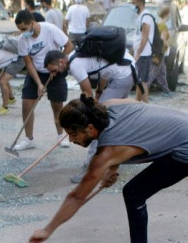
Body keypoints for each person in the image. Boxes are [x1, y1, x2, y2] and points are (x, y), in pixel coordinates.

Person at [29, 96, 188, 243]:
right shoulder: (108, 106)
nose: (72, 140)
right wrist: (113, 167)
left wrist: (48, 229)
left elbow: (76, 197)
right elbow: (135, 119)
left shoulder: (106, 153)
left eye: (74, 134)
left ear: (90, 128)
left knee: (134, 191)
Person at [44, 49, 138, 183]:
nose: (54, 74)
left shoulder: (75, 65)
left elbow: (88, 95)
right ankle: (114, 157)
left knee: (96, 123)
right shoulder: (76, 56)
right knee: (111, 118)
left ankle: (90, 168)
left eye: (54, 70)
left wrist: (83, 116)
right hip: (128, 71)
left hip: (122, 76)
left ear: (61, 61)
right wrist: (100, 90)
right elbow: (104, 69)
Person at [12, 9, 74, 151]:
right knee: (27, 104)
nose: (22, 32)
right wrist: (39, 83)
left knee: (57, 106)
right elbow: (28, 63)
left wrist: (59, 63)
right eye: (19, 29)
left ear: (32, 23)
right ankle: (28, 139)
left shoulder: (50, 29)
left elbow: (69, 45)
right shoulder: (23, 40)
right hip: (36, 72)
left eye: (24, 28)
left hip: (55, 71)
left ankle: (60, 135)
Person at [131, 0, 155, 102]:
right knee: (139, 80)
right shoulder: (140, 16)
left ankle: (146, 105)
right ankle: (137, 103)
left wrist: (138, 53)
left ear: (140, 3)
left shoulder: (146, 17)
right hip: (140, 53)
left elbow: (145, 37)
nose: (132, 5)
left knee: (142, 81)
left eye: (133, 3)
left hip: (144, 54)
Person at [147, 5, 171, 93]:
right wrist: (168, 44)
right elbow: (162, 41)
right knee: (153, 74)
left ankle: (166, 90)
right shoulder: (164, 26)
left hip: (156, 52)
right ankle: (144, 89)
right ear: (167, 14)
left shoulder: (157, 24)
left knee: (162, 72)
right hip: (159, 53)